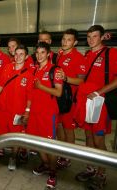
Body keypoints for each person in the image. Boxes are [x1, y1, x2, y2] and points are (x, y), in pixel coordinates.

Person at [75, 25, 117, 190]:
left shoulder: (110, 53)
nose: (91, 39)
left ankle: (102, 174)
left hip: (101, 103)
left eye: (95, 36)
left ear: (101, 37)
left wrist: (99, 92)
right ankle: (91, 168)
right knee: (88, 136)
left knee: (99, 139)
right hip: (87, 102)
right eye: (89, 36)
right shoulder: (87, 54)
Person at [26, 42, 63, 189]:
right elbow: (31, 92)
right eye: (37, 53)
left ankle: (53, 173)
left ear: (48, 54)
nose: (39, 55)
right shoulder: (34, 70)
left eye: (42, 52)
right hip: (35, 113)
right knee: (37, 142)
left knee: (50, 145)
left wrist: (41, 86)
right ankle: (46, 164)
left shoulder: (55, 69)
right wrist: (27, 111)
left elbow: (58, 92)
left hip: (48, 114)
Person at [0, 44, 33, 170]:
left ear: (26, 57)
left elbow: (30, 97)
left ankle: (13, 158)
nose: (18, 56)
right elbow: (1, 84)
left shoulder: (29, 74)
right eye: (16, 54)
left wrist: (27, 112)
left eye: (21, 54)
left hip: (18, 111)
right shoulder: (7, 67)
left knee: (16, 136)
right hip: (3, 107)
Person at [55, 29, 87, 168]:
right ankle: (62, 152)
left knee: (68, 129)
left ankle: (68, 156)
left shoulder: (78, 57)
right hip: (57, 98)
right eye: (63, 39)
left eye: (68, 40)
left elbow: (81, 82)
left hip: (69, 100)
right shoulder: (59, 54)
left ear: (75, 42)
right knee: (60, 127)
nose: (65, 42)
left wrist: (66, 78)